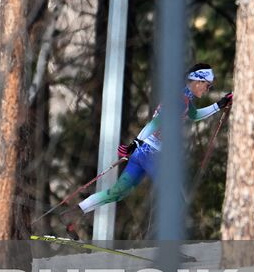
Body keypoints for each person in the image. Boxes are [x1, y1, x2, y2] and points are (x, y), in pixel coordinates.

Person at [68, 63, 232, 233]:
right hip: (152, 154)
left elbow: (195, 115)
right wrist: (135, 142)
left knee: (118, 192)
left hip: (142, 153)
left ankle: (74, 212)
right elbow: (155, 123)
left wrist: (219, 105)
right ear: (198, 81)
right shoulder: (180, 101)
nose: (207, 89)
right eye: (208, 85)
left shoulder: (183, 98)